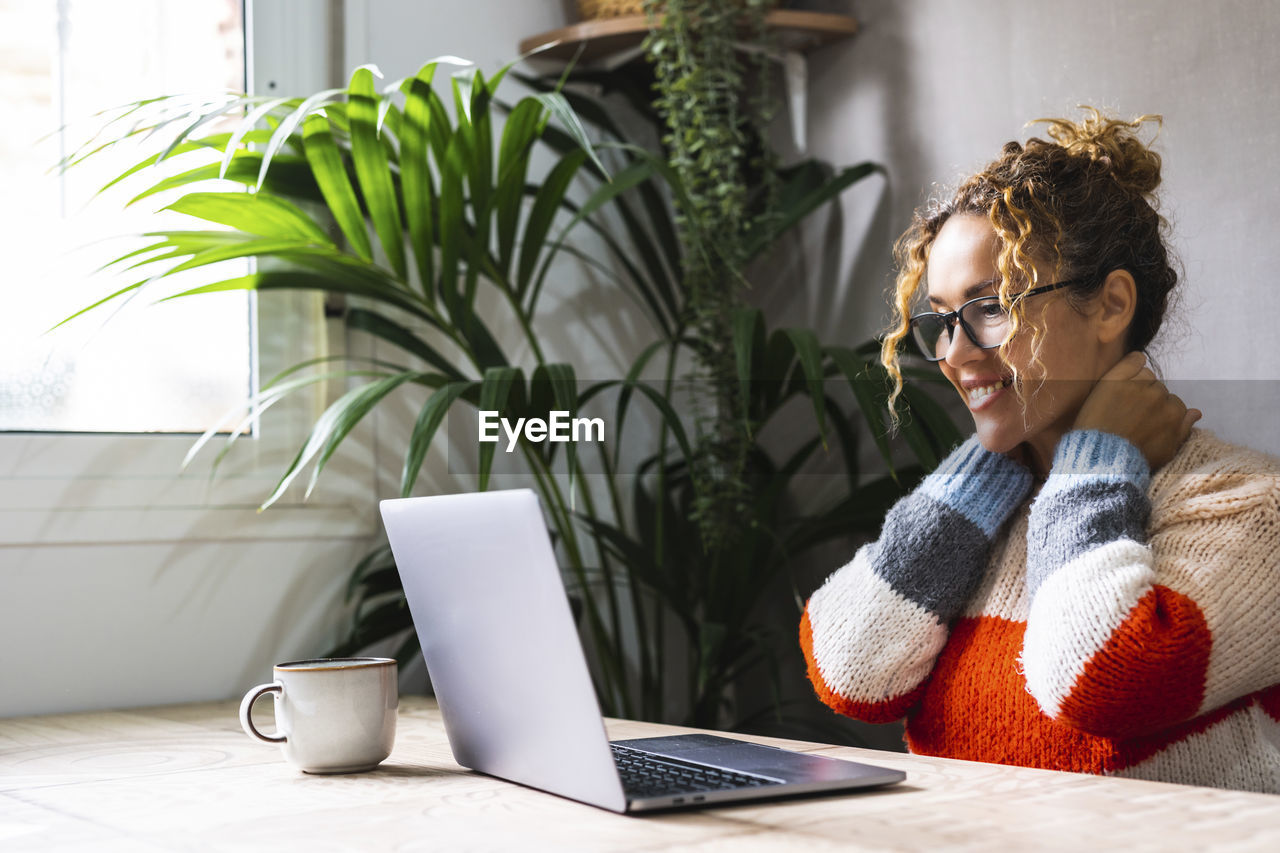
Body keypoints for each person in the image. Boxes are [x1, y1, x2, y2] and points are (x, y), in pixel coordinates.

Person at [800, 107, 1280, 794]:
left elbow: (1098, 679)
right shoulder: (982, 514)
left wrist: (1096, 463)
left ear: (1112, 305)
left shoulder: (1249, 505)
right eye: (940, 318)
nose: (954, 352)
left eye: (991, 307)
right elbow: (850, 672)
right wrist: (987, 469)